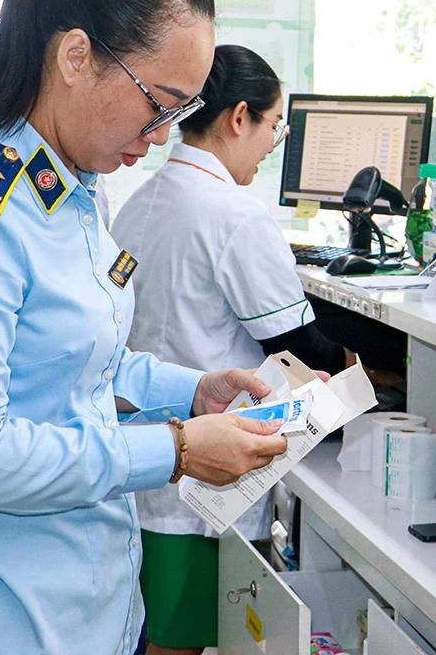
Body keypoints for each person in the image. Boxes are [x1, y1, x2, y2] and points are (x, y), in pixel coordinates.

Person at [0, 0, 292, 655]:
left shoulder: (73, 189)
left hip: (90, 610)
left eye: (182, 113)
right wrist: (177, 449)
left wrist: (192, 390)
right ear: (76, 57)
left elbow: (80, 359)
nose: (163, 134)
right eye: (158, 101)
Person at [112, 44, 350, 655]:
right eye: (275, 126)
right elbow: (303, 348)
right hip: (204, 483)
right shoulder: (235, 217)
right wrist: (366, 369)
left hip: (143, 465)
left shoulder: (141, 200)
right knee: (182, 644)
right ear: (239, 117)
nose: (274, 144)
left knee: (154, 636)